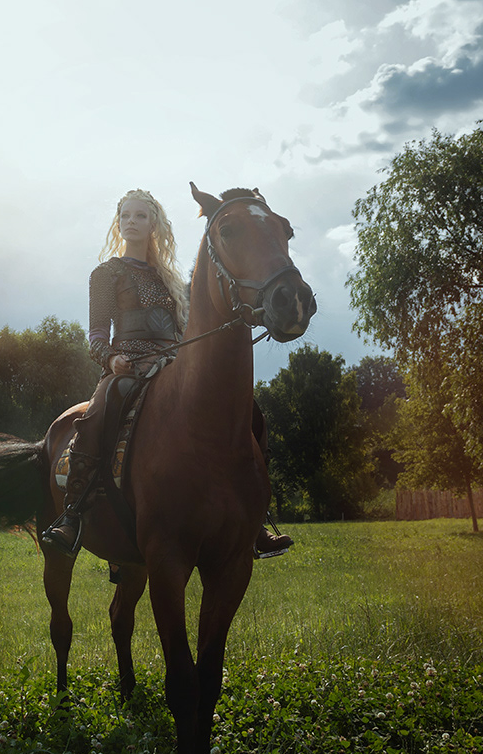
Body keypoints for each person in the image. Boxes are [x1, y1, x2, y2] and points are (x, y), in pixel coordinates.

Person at [38, 189, 295, 559]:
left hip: (173, 364)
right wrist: (111, 360)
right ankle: (73, 513)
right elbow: (95, 335)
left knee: (250, 413)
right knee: (100, 410)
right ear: (118, 222)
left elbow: (188, 328)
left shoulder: (170, 279)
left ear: (154, 224)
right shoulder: (106, 273)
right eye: (125, 215)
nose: (131, 221)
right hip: (126, 367)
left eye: (140, 215)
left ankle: (254, 521)